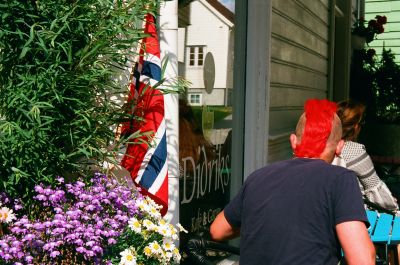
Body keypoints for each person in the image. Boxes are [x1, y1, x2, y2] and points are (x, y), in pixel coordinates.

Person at [210, 99, 375, 265]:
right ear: (340, 147)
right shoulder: (340, 179)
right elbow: (362, 259)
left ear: (293, 141)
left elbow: (218, 230)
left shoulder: (258, 177)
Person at [333, 100, 399, 213]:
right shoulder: (353, 150)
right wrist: (395, 211)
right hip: (354, 213)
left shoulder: (324, 146)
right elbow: (377, 192)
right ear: (355, 127)